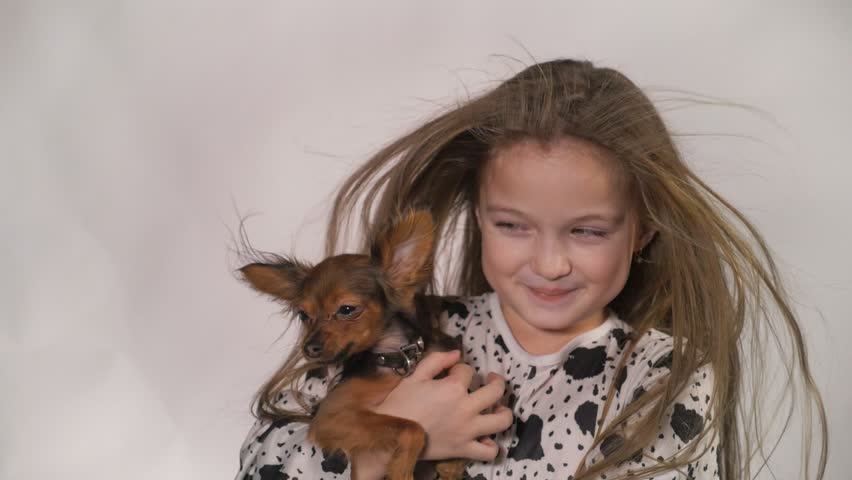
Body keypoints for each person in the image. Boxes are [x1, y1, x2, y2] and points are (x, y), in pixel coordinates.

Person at [234, 59, 828, 480]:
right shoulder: (409, 331)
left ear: (643, 226)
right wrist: (386, 443)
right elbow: (265, 463)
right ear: (476, 217)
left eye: (588, 230)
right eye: (513, 226)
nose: (549, 263)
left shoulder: (662, 375)